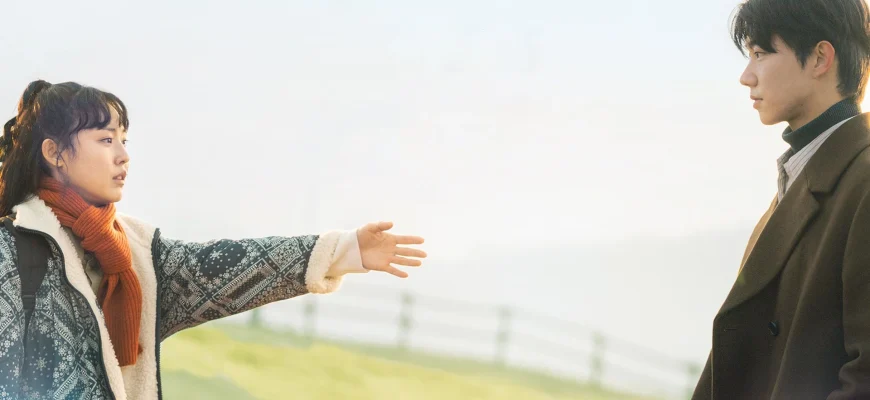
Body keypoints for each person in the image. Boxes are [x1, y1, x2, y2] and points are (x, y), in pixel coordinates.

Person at [0, 80, 427, 400]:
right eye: (106, 140)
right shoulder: (11, 249)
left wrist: (344, 249)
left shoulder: (139, 252)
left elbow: (222, 267)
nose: (123, 155)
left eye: (124, 140)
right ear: (54, 153)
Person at [692, 0, 870, 398]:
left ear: (820, 58)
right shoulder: (804, 171)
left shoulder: (861, 182)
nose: (746, 76)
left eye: (760, 53)